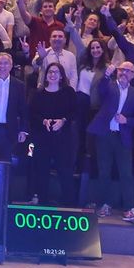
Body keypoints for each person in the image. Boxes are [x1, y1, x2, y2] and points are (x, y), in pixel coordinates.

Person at [88, 61, 134, 222]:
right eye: (122, 70)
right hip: (105, 135)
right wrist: (106, 75)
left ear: (133, 75)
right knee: (104, 171)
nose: (124, 73)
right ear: (117, 72)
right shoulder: (109, 86)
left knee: (126, 174)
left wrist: (126, 120)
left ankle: (129, 209)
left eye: (128, 71)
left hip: (123, 138)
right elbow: (100, 90)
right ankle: (105, 205)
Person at [27, 62, 79, 205]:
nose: (52, 74)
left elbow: (74, 112)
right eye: (50, 72)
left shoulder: (69, 92)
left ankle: (69, 202)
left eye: (56, 72)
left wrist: (63, 121)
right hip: (42, 138)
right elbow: (32, 114)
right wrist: (43, 121)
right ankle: (41, 200)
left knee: (65, 170)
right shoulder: (38, 94)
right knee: (41, 169)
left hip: (63, 138)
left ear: (61, 76)